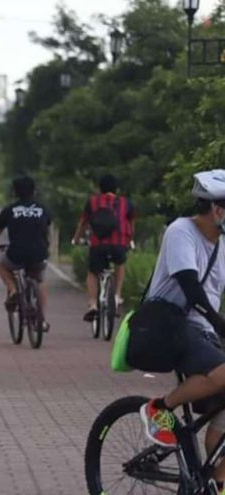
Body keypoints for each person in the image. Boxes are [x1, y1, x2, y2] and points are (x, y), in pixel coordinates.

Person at [138, 170, 225, 491]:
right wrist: (219, 322)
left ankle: (216, 480)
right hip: (171, 325)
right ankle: (160, 408)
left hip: (201, 330)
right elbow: (190, 285)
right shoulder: (181, 231)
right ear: (217, 209)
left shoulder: (222, 244)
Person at [0, 176, 52, 331]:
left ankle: (14, 290)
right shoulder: (43, 209)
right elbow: (46, 230)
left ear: (14, 192)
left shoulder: (9, 210)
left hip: (16, 253)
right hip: (39, 253)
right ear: (34, 190)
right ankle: (41, 320)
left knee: (4, 267)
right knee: (39, 281)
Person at [72, 174, 135, 322]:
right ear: (117, 189)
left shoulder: (93, 203)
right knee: (120, 263)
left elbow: (83, 223)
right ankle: (117, 295)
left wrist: (77, 239)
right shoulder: (126, 204)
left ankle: (93, 303)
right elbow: (131, 227)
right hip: (119, 244)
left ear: (99, 188)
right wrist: (129, 241)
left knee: (93, 272)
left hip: (98, 245)